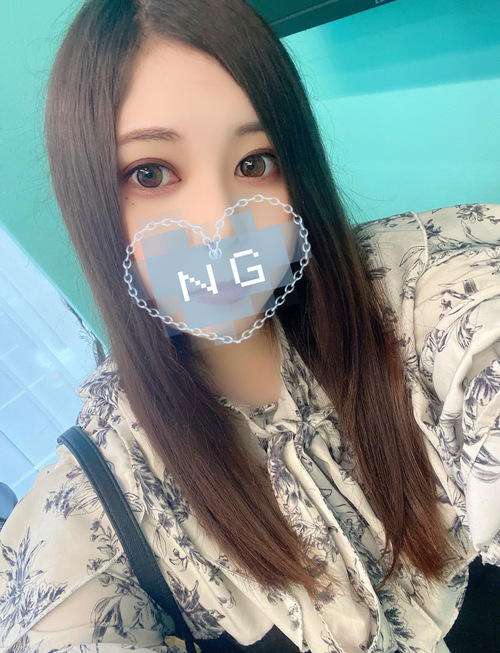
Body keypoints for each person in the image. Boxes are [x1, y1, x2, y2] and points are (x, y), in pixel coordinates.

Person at [0, 0, 499, 651]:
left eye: (255, 162)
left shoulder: (419, 292)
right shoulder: (102, 496)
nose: (219, 223)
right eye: (151, 173)